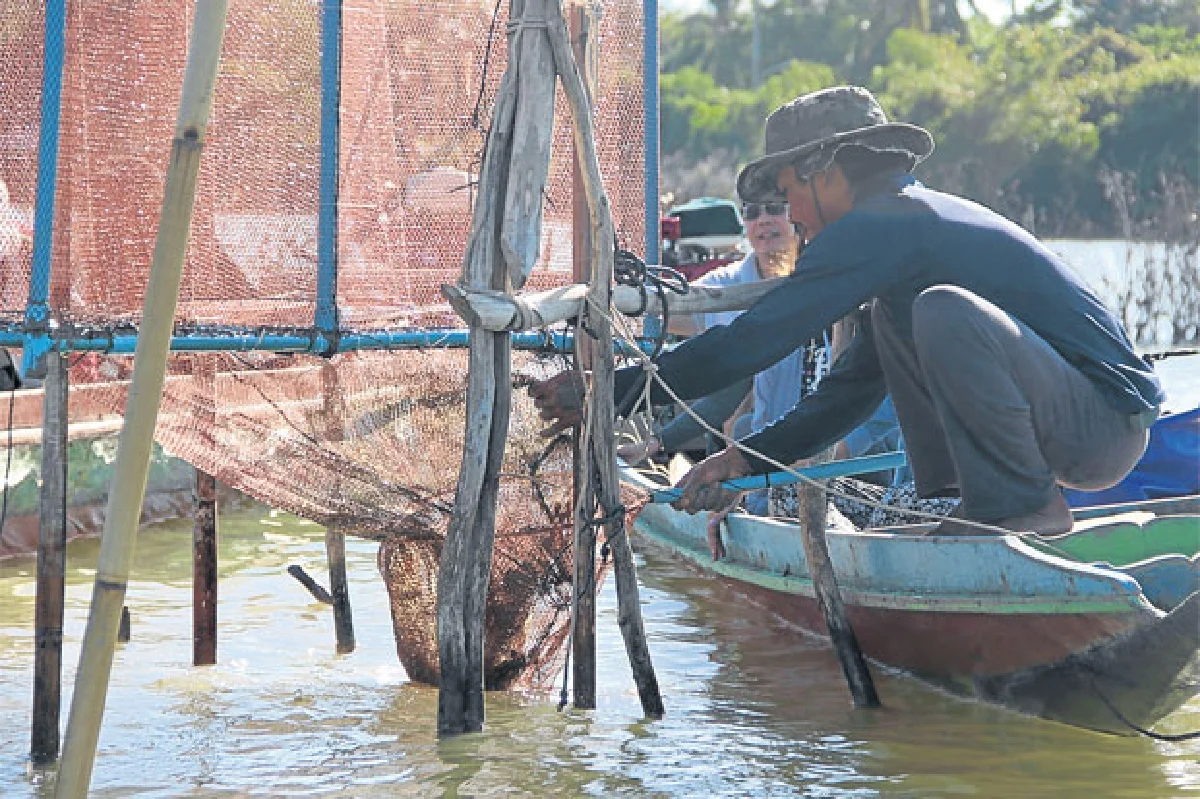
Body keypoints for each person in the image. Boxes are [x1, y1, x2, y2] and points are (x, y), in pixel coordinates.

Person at [534, 86, 1162, 536]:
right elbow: (850, 392)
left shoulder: (882, 224)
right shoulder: (900, 239)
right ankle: (980, 504)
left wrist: (609, 391)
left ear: (826, 170)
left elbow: (752, 341)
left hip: (1103, 422)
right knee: (904, 318)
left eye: (788, 195)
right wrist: (748, 457)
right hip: (1085, 427)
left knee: (943, 310)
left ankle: (1021, 507)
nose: (790, 216)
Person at [617, 198, 802, 466]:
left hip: (821, 447)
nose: (763, 220)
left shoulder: (822, 286)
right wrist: (623, 299)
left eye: (774, 208)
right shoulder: (722, 286)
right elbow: (728, 392)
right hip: (763, 454)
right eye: (752, 212)